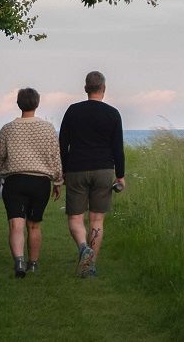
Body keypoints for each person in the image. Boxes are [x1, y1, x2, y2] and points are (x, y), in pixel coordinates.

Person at [0, 88, 64, 279]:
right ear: (37, 104)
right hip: (40, 182)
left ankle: (19, 261)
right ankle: (33, 263)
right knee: (34, 225)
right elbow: (55, 157)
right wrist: (57, 181)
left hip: (15, 181)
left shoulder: (8, 129)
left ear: (18, 104)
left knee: (16, 224)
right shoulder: (47, 128)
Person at [58, 70, 126, 278]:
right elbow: (118, 148)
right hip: (104, 170)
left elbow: (62, 144)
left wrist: (64, 170)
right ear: (103, 89)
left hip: (77, 169)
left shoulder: (72, 111)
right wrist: (120, 175)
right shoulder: (113, 114)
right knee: (97, 221)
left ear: (85, 88)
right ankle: (90, 266)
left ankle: (82, 246)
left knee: (75, 218)